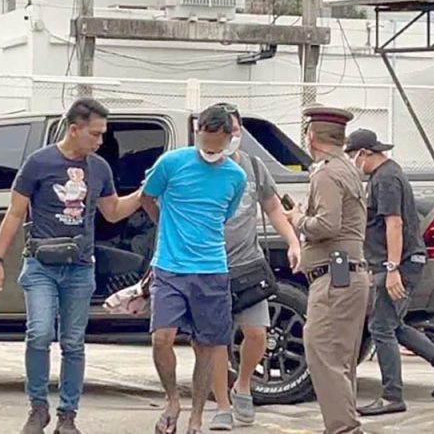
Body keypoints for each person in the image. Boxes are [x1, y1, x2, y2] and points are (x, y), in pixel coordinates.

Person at [0, 98, 142, 434]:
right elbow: (14, 212)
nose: (100, 140)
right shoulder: (39, 162)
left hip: (80, 266)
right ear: (74, 129)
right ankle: (37, 407)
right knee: (39, 333)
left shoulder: (99, 168)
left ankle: (67, 415)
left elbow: (113, 211)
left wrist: (145, 192)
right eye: (95, 133)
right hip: (40, 264)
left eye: (102, 134)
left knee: (73, 342)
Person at [141, 104, 247, 434]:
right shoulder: (171, 163)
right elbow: (147, 196)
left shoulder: (236, 176)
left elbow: (224, 215)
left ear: (229, 139)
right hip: (169, 266)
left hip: (212, 268)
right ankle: (172, 399)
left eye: (218, 145)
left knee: (207, 345)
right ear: (197, 133)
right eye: (206, 143)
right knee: (162, 338)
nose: (211, 151)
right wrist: (165, 225)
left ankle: (197, 416)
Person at [345, 128, 434, 417]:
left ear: (365, 153)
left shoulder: (386, 179)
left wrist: (392, 268)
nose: (352, 162)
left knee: (380, 327)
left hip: (400, 264)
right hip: (400, 263)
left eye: (352, 156)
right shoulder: (386, 174)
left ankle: (392, 396)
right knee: (392, 324)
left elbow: (394, 224)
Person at [208, 104, 301, 431]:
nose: (231, 136)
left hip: (247, 264)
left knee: (257, 333)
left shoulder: (254, 167)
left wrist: (293, 241)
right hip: (209, 266)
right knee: (216, 339)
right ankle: (222, 405)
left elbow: (273, 208)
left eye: (235, 130)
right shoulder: (200, 165)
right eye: (226, 131)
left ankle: (243, 384)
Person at [284, 106, 370, 434]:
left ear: (311, 136)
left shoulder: (326, 173)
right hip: (345, 271)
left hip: (334, 274)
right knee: (340, 356)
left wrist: (298, 219)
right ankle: (344, 424)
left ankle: (343, 427)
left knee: (321, 350)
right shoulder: (348, 168)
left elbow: (327, 225)